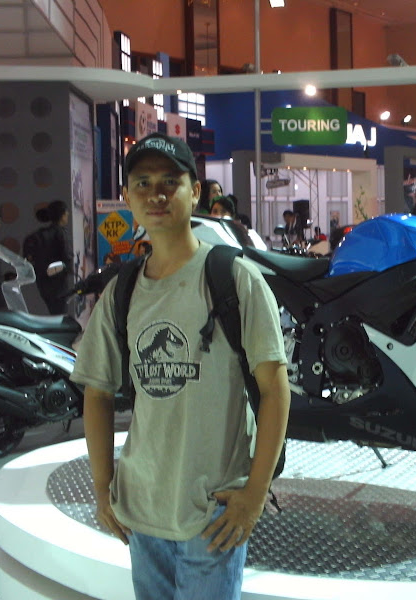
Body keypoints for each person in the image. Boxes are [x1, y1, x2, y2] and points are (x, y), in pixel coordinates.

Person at [70, 132, 290, 600]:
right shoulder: (122, 290)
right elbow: (98, 393)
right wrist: (103, 488)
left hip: (211, 510)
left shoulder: (234, 278)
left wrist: (254, 495)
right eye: (143, 183)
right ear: (128, 196)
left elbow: (275, 389)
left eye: (171, 181)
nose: (157, 194)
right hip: (141, 505)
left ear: (196, 192)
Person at [24, 200, 72, 315]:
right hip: (59, 283)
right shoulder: (60, 233)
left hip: (43, 283)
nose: (68, 215)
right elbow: (67, 257)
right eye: (66, 213)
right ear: (62, 215)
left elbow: (28, 255)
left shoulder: (38, 235)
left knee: (53, 312)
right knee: (60, 315)